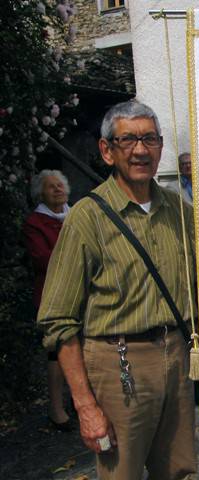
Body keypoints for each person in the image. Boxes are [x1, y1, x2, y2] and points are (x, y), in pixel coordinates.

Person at [37, 101, 196, 479]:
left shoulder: (180, 211)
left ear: (160, 148)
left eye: (150, 139)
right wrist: (85, 406)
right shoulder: (86, 218)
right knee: (120, 472)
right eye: (128, 140)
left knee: (177, 470)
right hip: (118, 363)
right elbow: (58, 321)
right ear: (107, 151)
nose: (140, 150)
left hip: (176, 357)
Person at [23, 169, 72, 430]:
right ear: (41, 193)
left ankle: (81, 401)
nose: (57, 190)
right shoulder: (35, 223)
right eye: (51, 187)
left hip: (83, 289)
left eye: (60, 185)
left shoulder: (75, 214)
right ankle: (56, 409)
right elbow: (42, 258)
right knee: (58, 351)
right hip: (53, 293)